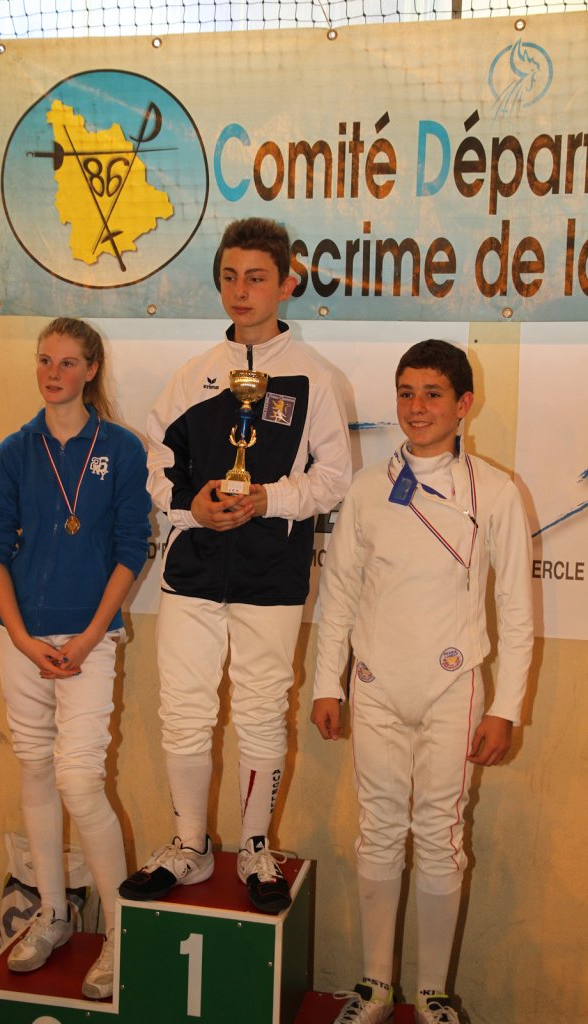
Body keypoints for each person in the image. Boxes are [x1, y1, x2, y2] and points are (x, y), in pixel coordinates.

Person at [119, 217, 351, 913]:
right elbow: (158, 469)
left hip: (270, 578)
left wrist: (268, 499)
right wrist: (191, 506)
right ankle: (190, 845)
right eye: (229, 277)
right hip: (191, 575)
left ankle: (254, 847)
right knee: (184, 711)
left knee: (260, 713)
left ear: (286, 284)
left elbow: (334, 478)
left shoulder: (315, 379)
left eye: (255, 278)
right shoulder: (191, 377)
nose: (240, 291)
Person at [311, 340, 533, 1024]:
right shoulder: (366, 488)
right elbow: (339, 594)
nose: (417, 407)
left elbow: (517, 610)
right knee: (377, 832)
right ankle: (376, 987)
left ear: (464, 404)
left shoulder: (496, 492)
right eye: (406, 392)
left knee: (441, 837)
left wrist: (506, 707)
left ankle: (434, 992)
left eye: (433, 393)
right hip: (375, 683)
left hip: (453, 687)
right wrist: (327, 684)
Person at [0, 317, 150, 999]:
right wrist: (23, 638)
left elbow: (130, 550)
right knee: (34, 768)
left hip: (90, 641)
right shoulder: (13, 451)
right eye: (45, 360)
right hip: (21, 638)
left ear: (91, 369)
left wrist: (88, 637)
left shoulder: (122, 449)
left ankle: (122, 933)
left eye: (68, 362)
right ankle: (52, 913)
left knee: (79, 780)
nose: (53, 373)